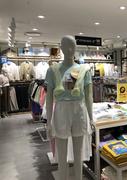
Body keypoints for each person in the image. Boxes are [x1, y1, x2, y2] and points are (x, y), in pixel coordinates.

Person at [45, 35, 93, 180]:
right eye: (66, 46)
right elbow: (48, 98)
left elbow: (89, 96)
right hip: (61, 111)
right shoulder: (53, 70)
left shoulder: (84, 69)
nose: (70, 49)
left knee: (78, 155)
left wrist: (91, 118)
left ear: (76, 48)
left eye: (73, 46)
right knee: (62, 154)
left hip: (79, 110)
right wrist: (48, 121)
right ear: (61, 48)